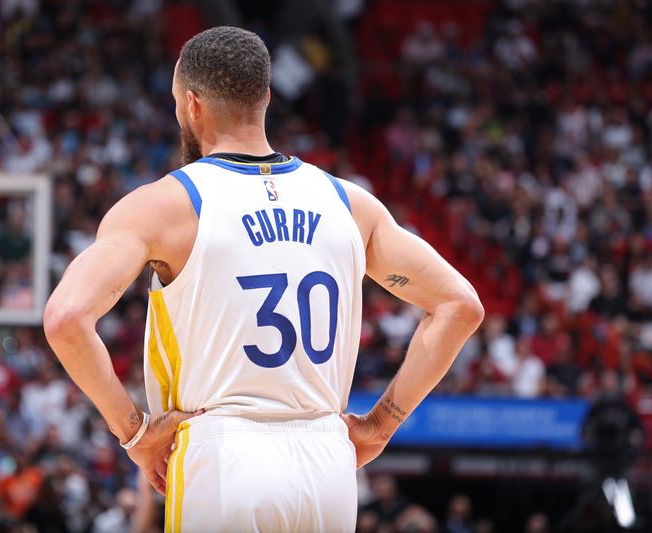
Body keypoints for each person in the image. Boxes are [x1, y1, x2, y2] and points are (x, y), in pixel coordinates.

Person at [44, 26, 483, 532]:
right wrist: (382, 424)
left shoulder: (163, 206)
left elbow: (66, 318)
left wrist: (134, 432)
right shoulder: (349, 202)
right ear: (266, 98)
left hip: (224, 453)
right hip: (327, 462)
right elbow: (460, 305)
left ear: (190, 103)